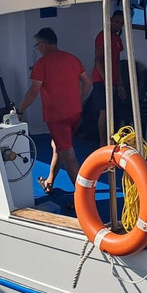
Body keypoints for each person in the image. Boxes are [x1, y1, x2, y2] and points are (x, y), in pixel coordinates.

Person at [18, 27, 92, 194]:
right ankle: (49, 182)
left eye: (37, 45)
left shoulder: (42, 64)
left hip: (57, 117)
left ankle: (84, 198)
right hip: (75, 113)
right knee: (58, 146)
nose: (37, 49)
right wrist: (76, 98)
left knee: (69, 157)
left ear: (43, 45)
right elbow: (87, 83)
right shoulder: (72, 59)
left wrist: (20, 110)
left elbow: (33, 91)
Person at [87, 9, 126, 143]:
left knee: (114, 111)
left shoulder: (117, 39)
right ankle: (103, 143)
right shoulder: (102, 36)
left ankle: (112, 140)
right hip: (100, 79)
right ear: (110, 20)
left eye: (121, 23)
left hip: (113, 80)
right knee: (104, 111)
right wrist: (106, 80)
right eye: (116, 21)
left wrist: (120, 84)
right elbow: (98, 59)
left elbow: (117, 62)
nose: (118, 25)